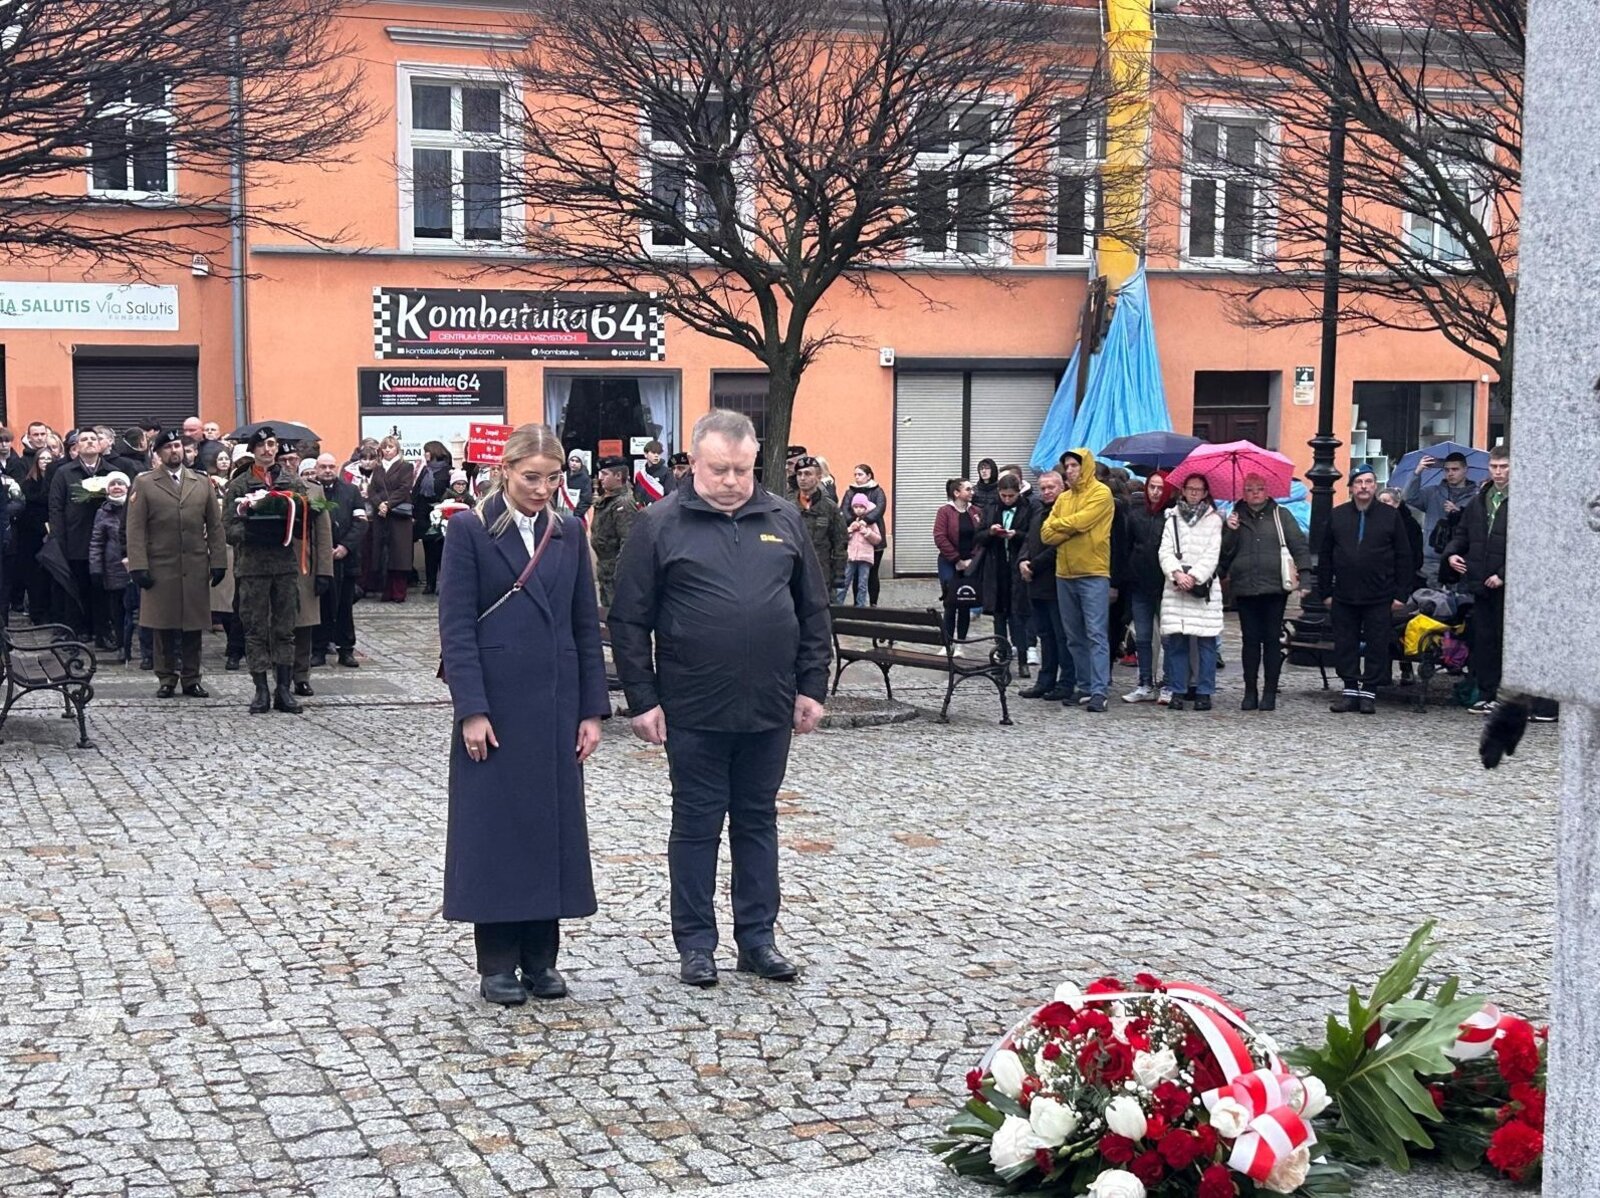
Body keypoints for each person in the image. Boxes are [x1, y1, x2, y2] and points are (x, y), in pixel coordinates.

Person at [609, 409, 830, 989]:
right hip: (692, 708)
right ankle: (696, 944)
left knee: (758, 821)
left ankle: (757, 940)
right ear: (693, 463)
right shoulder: (659, 523)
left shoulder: (783, 519)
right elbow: (629, 619)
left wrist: (812, 685)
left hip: (769, 706)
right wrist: (642, 699)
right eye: (718, 469)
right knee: (696, 824)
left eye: (741, 469)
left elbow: (812, 610)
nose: (731, 480)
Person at [438, 423, 608, 1007]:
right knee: (495, 831)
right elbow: (456, 626)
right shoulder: (470, 529)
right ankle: (496, 963)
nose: (541, 489)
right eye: (531, 477)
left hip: (555, 704)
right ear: (504, 471)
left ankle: (541, 959)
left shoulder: (569, 530)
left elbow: (585, 623)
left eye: (552, 478)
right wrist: (472, 709)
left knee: (548, 830)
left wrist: (592, 710)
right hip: (497, 706)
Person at [126, 431, 228, 698]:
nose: (175, 451)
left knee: (194, 625)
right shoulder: (145, 483)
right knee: (163, 625)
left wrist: (218, 561)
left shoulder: (201, 482)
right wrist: (138, 565)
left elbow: (214, 526)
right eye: (169, 447)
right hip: (161, 565)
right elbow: (135, 529)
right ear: (158, 453)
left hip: (194, 563)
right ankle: (166, 678)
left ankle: (192, 678)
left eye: (178, 446)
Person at [225, 427, 312, 714]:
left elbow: (305, 520)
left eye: (271, 444)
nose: (267, 449)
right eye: (261, 445)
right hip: (252, 566)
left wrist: (292, 522)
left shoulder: (292, 481)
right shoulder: (239, 485)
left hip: (284, 565)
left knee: (285, 628)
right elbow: (228, 528)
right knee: (255, 629)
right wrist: (252, 531)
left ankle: (283, 689)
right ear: (253, 450)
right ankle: (261, 689)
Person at [1317, 463, 1415, 714]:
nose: (1364, 487)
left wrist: (1401, 594)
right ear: (1351, 487)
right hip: (1344, 594)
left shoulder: (1390, 516)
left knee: (1377, 644)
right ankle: (1350, 690)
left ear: (1375, 486)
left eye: (1369, 482)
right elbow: (1325, 555)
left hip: (1379, 594)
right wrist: (1325, 591)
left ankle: (1369, 692)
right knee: (1345, 643)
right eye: (1359, 482)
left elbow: (1404, 556)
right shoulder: (1338, 515)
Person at [1221, 473, 1312, 711]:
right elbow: (1224, 553)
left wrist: (1306, 578)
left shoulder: (1281, 515)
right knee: (1250, 641)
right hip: (1245, 587)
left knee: (1272, 640)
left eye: (1259, 488)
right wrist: (1230, 530)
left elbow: (1299, 546)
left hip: (1274, 587)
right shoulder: (1234, 516)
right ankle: (1250, 691)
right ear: (1243, 493)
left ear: (1267, 491)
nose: (1255, 493)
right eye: (1250, 489)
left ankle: (1270, 691)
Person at [1040, 448, 1115, 712]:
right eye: (1067, 466)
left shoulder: (1101, 493)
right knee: (1073, 636)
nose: (1070, 470)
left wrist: (1064, 526)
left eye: (1074, 465)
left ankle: (1099, 690)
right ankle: (1084, 686)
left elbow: (1084, 521)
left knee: (1095, 633)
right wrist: (1069, 528)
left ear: (1086, 466)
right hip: (1065, 573)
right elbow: (1046, 534)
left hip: (1093, 572)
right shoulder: (1064, 498)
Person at [1446, 446, 1512, 715]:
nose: (1498, 472)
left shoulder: (1521, 499)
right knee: (1484, 640)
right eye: (1494, 467)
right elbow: (1463, 533)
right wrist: (1452, 554)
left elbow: (1527, 544)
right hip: (1480, 580)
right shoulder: (1480, 499)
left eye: (1503, 467)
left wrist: (1504, 574)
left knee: (1504, 640)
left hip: (1508, 585)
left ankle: (1506, 695)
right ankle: (1486, 692)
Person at [1157, 474, 1225, 711]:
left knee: (1207, 642)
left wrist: (1194, 577)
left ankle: (1204, 691)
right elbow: (1164, 551)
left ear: (1205, 493)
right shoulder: (1172, 518)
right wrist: (1177, 574)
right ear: (1183, 490)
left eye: (1199, 489)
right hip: (1176, 587)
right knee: (1177, 642)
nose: (1194, 493)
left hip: (1203, 589)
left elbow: (1212, 553)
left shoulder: (1214, 520)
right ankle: (1178, 689)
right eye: (1190, 488)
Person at [48, 428, 119, 638]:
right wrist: (59, 537)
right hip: (75, 538)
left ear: (100, 445)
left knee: (102, 588)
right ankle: (78, 631)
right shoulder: (64, 473)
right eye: (84, 439)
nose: (89, 442)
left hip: (106, 540)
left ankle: (103, 632)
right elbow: (56, 507)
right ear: (76, 447)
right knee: (77, 586)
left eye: (93, 439)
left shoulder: (112, 473)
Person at [277, 442, 334, 697]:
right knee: (279, 624)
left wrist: (324, 571)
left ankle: (301, 676)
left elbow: (323, 534)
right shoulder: (269, 489)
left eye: (293, 459)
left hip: (304, 565)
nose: (289, 464)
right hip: (276, 563)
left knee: (304, 625)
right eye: (284, 460)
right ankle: (280, 674)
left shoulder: (313, 490)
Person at [1018, 470, 1073, 701]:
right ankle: (1045, 680)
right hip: (1035, 583)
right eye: (1043, 488)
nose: (1047, 492)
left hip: (1056, 580)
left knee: (1062, 636)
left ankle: (1066, 682)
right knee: (1045, 635)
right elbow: (1028, 540)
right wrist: (1022, 560)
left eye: (1051, 487)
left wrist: (1033, 565)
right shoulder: (1038, 511)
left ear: (1062, 487)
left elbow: (1058, 546)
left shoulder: (1066, 510)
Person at [1121, 472, 1175, 704]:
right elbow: (1126, 546)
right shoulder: (1136, 514)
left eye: (1160, 488)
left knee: (1168, 637)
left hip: (1166, 584)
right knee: (1142, 637)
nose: (1155, 492)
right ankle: (1145, 682)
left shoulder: (1172, 516)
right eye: (1152, 487)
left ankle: (1169, 683)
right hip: (1139, 582)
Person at [313, 452, 368, 669]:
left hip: (347, 559)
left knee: (345, 606)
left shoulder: (351, 491)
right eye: (323, 467)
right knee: (321, 606)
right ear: (316, 469)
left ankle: (346, 649)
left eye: (331, 466)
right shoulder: (311, 491)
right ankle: (318, 649)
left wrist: (345, 546)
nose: (328, 471)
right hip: (320, 560)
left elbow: (361, 522)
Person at [975, 472, 1033, 674]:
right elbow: (979, 536)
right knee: (999, 616)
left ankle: (1023, 660)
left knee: (1018, 616)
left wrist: (1016, 535)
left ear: (1018, 493)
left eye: (1011, 496)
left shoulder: (1028, 507)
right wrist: (991, 532)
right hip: (996, 567)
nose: (1007, 499)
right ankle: (1002, 658)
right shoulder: (991, 507)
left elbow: (1033, 536)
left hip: (1017, 567)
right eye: (1004, 495)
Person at [1403, 450, 1477, 584]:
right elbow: (1408, 498)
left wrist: (1459, 513)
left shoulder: (1476, 497)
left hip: (1461, 559)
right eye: (1447, 470)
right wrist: (1417, 472)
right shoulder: (1432, 492)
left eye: (1455, 469)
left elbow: (1479, 525)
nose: (1450, 473)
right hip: (1432, 559)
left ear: (1465, 470)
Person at [365, 435, 415, 602]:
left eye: (390, 447)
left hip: (399, 516)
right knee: (383, 553)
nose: (387, 450)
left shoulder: (405, 466)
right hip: (381, 516)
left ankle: (399, 591)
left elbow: (404, 488)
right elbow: (372, 489)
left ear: (397, 449)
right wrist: (379, 504)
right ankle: (386, 589)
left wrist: (388, 504)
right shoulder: (378, 468)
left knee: (399, 555)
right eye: (385, 447)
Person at [933, 478, 982, 647]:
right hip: (948, 562)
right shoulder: (945, 512)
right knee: (950, 601)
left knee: (965, 601)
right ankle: (947, 643)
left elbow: (981, 537)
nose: (972, 492)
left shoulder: (976, 512)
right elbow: (940, 537)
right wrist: (956, 559)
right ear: (956, 493)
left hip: (970, 563)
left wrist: (972, 560)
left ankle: (961, 642)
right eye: (968, 489)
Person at [793, 455, 847, 596]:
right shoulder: (789, 507)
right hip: (794, 573)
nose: (802, 478)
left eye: (807, 474)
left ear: (818, 477)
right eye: (799, 474)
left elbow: (840, 543)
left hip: (821, 575)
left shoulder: (829, 508)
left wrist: (839, 576)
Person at [589, 456, 637, 607]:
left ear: (618, 476)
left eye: (605, 474)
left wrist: (620, 574)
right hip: (605, 568)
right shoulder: (607, 499)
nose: (600, 478)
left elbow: (627, 542)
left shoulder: (623, 503)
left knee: (616, 612)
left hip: (615, 571)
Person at [13, 449, 54, 623]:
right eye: (42, 458)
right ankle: (37, 612)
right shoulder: (28, 484)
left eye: (49, 458)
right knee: (34, 576)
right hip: (31, 536)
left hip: (52, 533)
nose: (45, 461)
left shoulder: (55, 482)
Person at [841, 464, 888, 605]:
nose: (857, 477)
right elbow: (844, 509)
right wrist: (852, 522)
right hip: (854, 537)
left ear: (869, 476)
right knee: (855, 575)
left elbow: (880, 509)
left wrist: (865, 521)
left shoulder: (878, 491)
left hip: (873, 535)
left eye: (860, 474)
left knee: (872, 574)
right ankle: (858, 604)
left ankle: (873, 603)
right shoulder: (850, 492)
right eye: (855, 474)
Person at [412, 442, 454, 594]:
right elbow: (416, 491)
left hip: (442, 515)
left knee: (443, 551)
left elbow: (452, 493)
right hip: (425, 517)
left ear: (434, 452)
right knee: (429, 551)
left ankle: (443, 584)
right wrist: (414, 513)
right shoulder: (425, 470)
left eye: (427, 451)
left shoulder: (448, 471)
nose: (425, 454)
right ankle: (430, 584)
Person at [839, 495, 882, 607]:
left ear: (866, 508)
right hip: (851, 557)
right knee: (844, 582)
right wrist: (850, 530)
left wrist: (867, 532)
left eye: (861, 507)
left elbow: (878, 540)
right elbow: (842, 537)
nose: (858, 509)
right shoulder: (850, 521)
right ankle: (838, 604)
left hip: (865, 558)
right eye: (856, 507)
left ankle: (861, 606)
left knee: (862, 584)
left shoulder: (871, 523)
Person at [633, 440, 673, 504]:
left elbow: (670, 497)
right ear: (645, 454)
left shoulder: (667, 473)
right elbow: (637, 495)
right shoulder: (640, 475)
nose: (656, 455)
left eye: (658, 453)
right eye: (653, 452)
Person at [562, 450, 594, 521]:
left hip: (576, 517)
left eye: (577, 461)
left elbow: (586, 500)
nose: (574, 463)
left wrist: (576, 515)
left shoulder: (585, 479)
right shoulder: (563, 476)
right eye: (572, 460)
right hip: (561, 514)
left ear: (581, 463)